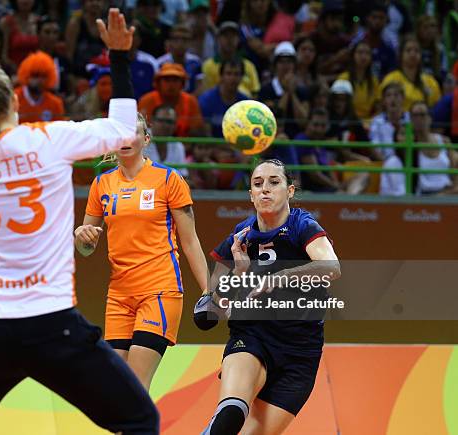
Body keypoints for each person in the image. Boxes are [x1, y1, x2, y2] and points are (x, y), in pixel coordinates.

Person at [0, 10, 159, 433]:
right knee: (139, 419)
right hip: (51, 324)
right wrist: (118, 56)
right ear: (16, 102)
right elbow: (124, 131)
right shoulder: (48, 140)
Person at [194, 159, 340, 435]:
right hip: (252, 336)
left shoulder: (302, 226)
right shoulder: (240, 238)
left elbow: (332, 268)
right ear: (250, 195)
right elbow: (208, 314)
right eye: (258, 184)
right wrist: (238, 272)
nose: (265, 190)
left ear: (290, 191)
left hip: (300, 351)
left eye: (274, 182)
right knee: (230, 415)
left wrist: (279, 276)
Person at [75, 114, 209, 391]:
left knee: (135, 386)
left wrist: (209, 291)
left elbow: (191, 241)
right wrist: (80, 236)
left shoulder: (169, 179)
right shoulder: (101, 184)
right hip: (119, 297)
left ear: (146, 139)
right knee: (117, 390)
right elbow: (86, 249)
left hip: (159, 290)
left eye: (133, 132)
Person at [381, 101, 458, 196]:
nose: (418, 119)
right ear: (410, 119)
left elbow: (455, 168)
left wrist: (453, 189)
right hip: (423, 195)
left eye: (422, 115)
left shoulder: (443, 141)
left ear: (430, 118)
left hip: (447, 192)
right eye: (415, 115)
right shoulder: (408, 146)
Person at [138, 62, 204, 136]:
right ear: (158, 83)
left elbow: (197, 131)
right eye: (167, 80)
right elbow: (140, 131)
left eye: (175, 80)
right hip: (152, 145)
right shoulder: (146, 100)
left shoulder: (191, 101)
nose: (171, 84)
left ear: (183, 84)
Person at [380, 35, 441, 111]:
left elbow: (437, 107)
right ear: (401, 54)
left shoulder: (430, 81)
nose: (413, 54)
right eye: (408, 50)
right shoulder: (391, 79)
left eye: (417, 51)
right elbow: (383, 106)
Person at [201, 22, 261, 99]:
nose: (229, 40)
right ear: (218, 38)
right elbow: (205, 92)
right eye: (225, 36)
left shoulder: (249, 65)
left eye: (233, 36)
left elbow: (255, 92)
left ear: (238, 39)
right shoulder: (208, 65)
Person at [198, 58, 249, 138]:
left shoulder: (246, 103)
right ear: (221, 76)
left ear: (241, 77)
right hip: (213, 148)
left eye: (236, 74)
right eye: (229, 74)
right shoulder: (206, 100)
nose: (232, 78)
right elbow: (207, 135)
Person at [14, 51, 65, 123]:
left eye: (44, 76)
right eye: (35, 75)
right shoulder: (13, 99)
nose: (40, 80)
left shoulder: (55, 104)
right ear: (26, 75)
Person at [337, 40, 381, 120]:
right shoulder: (343, 78)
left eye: (367, 53)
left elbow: (378, 108)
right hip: (347, 121)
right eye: (360, 52)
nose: (363, 56)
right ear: (353, 56)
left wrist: (372, 121)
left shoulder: (374, 81)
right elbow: (338, 106)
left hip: (368, 122)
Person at [144, 104, 188, 176]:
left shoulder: (178, 146)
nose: (166, 125)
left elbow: (183, 175)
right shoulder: (140, 141)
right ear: (152, 121)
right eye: (161, 121)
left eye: (170, 122)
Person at [157, 24, 202, 93]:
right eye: (176, 39)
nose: (180, 43)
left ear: (190, 43)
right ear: (170, 42)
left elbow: (200, 87)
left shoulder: (196, 61)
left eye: (185, 39)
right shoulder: (160, 63)